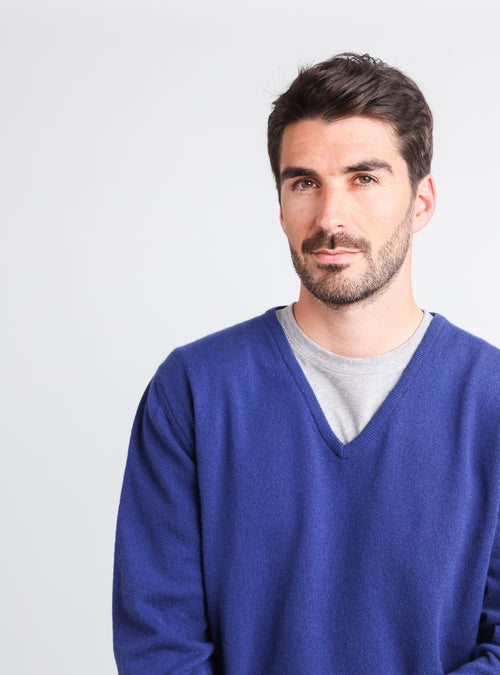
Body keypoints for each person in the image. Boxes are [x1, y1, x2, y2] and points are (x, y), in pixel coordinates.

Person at [113, 53, 500, 673]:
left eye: (363, 178)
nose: (329, 218)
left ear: (422, 202)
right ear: (280, 204)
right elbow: (161, 645)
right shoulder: (193, 391)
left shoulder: (490, 398)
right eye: (304, 183)